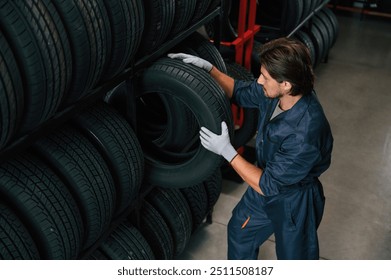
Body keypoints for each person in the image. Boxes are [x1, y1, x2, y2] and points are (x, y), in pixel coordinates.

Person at [168, 37, 333, 260]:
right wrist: (209, 70)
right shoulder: (277, 95)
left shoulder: (305, 133)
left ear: (286, 84)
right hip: (265, 183)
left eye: (265, 77)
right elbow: (239, 90)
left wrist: (227, 151)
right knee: (240, 231)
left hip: (294, 201)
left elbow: (268, 185)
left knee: (295, 259)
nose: (259, 81)